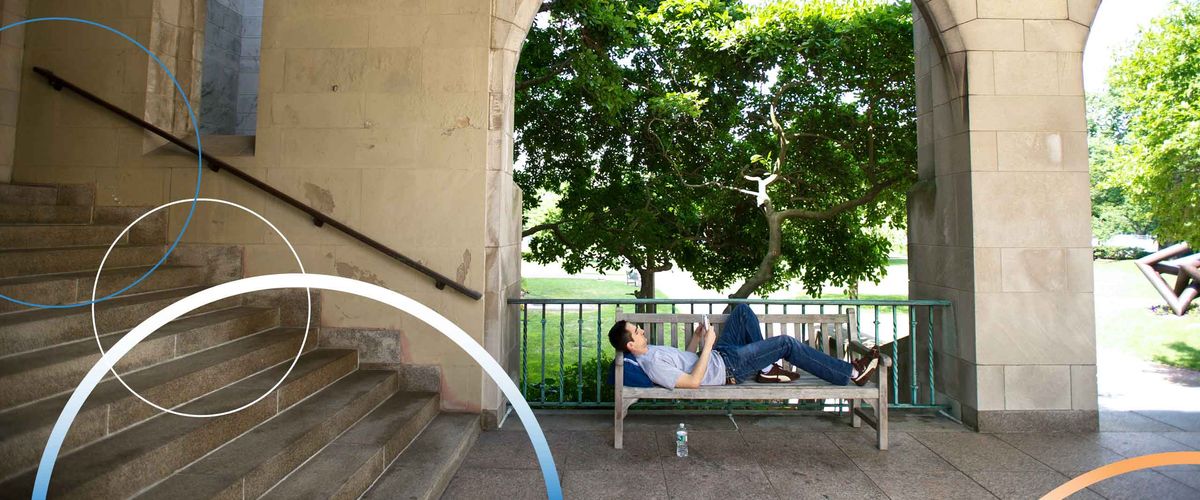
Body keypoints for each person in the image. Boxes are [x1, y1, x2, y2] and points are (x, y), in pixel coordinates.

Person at [607, 304, 878, 389]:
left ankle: (767, 368)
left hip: (719, 355)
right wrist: (710, 345)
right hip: (727, 368)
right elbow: (692, 382)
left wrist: (699, 339)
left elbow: (686, 360)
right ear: (631, 345)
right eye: (636, 331)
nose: (641, 330)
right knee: (786, 343)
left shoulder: (651, 350)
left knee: (742, 312)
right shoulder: (651, 363)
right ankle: (851, 374)